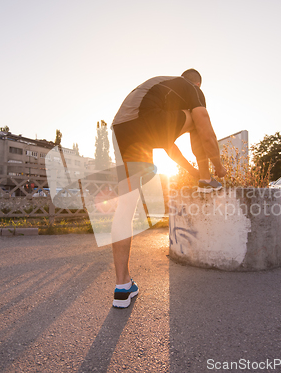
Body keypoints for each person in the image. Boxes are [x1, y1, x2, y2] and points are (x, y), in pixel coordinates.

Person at [110, 69, 227, 308]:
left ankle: (122, 287)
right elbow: (205, 128)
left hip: (123, 129)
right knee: (197, 120)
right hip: (143, 123)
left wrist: (191, 171)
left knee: (126, 205)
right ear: (196, 83)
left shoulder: (163, 93)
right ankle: (207, 180)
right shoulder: (192, 88)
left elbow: (168, 146)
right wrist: (219, 167)